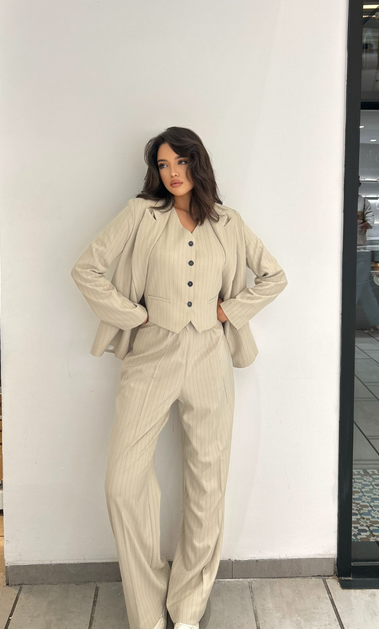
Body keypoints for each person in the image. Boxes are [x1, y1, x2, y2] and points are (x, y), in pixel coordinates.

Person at [71, 127, 288, 629]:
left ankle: (188, 608)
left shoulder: (229, 223)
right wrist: (132, 315)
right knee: (122, 482)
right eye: (163, 165)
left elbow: (274, 276)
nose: (172, 173)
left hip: (210, 356)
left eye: (180, 162)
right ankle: (148, 609)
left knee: (208, 484)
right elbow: (87, 269)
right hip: (151, 354)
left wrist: (230, 310)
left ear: (198, 163)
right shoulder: (140, 214)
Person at [357, 181, 379, 332]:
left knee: (354, 288)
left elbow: (373, 231)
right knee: (365, 290)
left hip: (361, 252)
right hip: (355, 252)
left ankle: (344, 322)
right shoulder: (339, 200)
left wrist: (378, 261)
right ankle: (378, 324)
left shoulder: (364, 203)